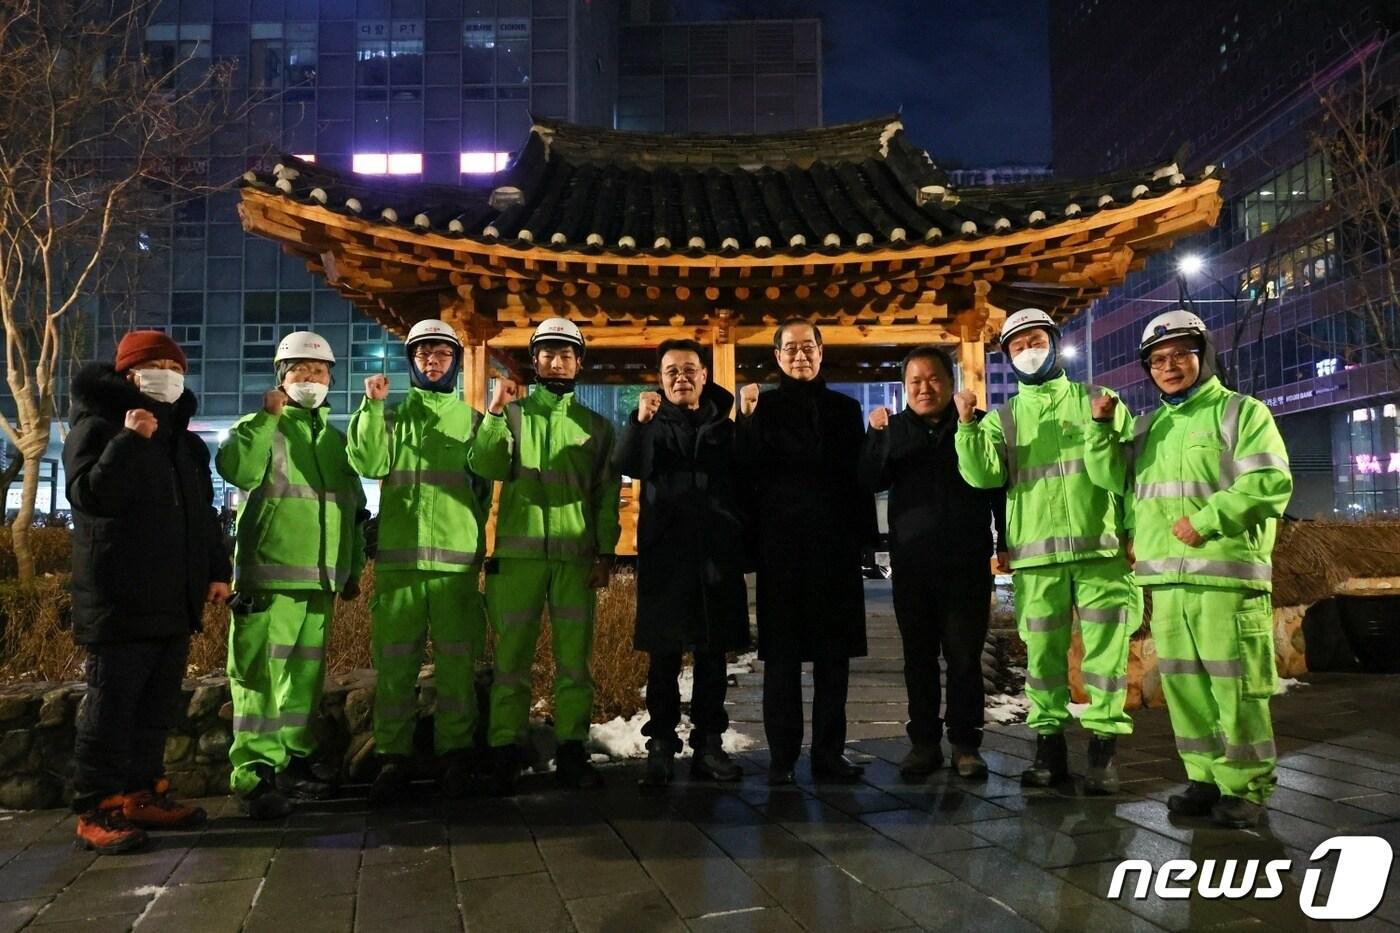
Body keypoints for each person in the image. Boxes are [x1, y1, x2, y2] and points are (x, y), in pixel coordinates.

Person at [1086, 309, 1291, 828]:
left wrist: (1206, 520)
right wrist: (1101, 428)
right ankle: (1204, 776)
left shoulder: (1241, 413)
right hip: (1167, 579)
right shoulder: (1149, 425)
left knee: (1236, 687)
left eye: (1180, 354)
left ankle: (1246, 786)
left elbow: (1269, 483)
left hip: (1225, 575)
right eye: (1157, 360)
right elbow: (1113, 479)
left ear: (1203, 356)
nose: (1170, 366)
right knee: (1185, 687)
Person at [953, 308, 1136, 794]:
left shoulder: (1099, 400)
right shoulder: (1003, 418)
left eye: (1034, 340)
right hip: (1037, 561)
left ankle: (1103, 754)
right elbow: (983, 477)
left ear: (1054, 343)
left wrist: (1133, 534)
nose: (1026, 351)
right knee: (1043, 662)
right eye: (1016, 346)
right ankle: (1048, 753)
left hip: (1101, 554)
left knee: (1106, 660)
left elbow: (1125, 476)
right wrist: (968, 426)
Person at [65, 330, 231, 853]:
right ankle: (96, 809)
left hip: (172, 600)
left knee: (155, 708)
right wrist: (128, 441)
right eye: (153, 364)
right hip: (118, 599)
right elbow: (92, 497)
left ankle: (142, 793)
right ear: (126, 375)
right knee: (110, 709)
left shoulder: (186, 443)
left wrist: (215, 570)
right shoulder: (97, 428)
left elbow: (203, 515)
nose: (167, 374)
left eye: (173, 365)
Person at [345, 318, 496, 803]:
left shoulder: (473, 420)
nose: (433, 360)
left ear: (454, 362)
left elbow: (488, 480)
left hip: (454, 567)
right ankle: (394, 758)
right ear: (412, 361)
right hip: (400, 565)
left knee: (457, 667)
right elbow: (369, 464)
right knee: (395, 668)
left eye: (442, 353)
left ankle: (456, 756)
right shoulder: (388, 415)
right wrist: (371, 406)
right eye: (424, 353)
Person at [217, 332, 365, 818]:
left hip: (319, 582)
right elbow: (236, 469)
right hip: (267, 582)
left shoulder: (336, 441)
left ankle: (294, 762)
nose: (309, 378)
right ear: (280, 377)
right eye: (299, 370)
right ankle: (255, 772)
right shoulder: (260, 427)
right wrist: (266, 418)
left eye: (318, 372)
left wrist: (350, 570)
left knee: (303, 681)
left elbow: (352, 511)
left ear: (331, 380)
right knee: (259, 680)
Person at [473, 317, 620, 794]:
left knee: (575, 663)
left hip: (576, 560)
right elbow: (486, 464)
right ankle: (504, 749)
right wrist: (495, 414)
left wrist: (605, 551)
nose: (557, 362)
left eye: (566, 354)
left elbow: (605, 496)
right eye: (548, 354)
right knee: (511, 661)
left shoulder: (596, 428)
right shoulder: (512, 415)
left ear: (579, 363)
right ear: (534, 361)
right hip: (518, 560)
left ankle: (572, 748)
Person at [738, 318, 876, 786]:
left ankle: (828, 753)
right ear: (777, 356)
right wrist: (747, 420)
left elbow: (859, 478)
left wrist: (866, 543)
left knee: (833, 661)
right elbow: (746, 474)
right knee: (782, 661)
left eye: (808, 347)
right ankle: (781, 756)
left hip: (834, 551)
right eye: (790, 348)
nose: (800, 355)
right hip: (781, 549)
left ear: (821, 352)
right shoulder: (763, 408)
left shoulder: (846, 408)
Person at [861, 345, 1007, 782]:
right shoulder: (895, 429)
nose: (924, 388)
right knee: (918, 658)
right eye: (915, 381)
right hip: (912, 565)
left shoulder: (977, 427)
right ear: (904, 388)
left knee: (964, 658)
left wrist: (1006, 542)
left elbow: (998, 487)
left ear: (951, 382)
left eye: (933, 379)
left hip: (966, 561)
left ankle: (966, 744)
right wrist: (875, 437)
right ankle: (923, 743)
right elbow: (868, 481)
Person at [615, 339, 750, 788]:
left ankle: (708, 744)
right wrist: (638, 422)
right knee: (663, 659)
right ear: (660, 379)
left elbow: (752, 483)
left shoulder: (727, 430)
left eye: (689, 369)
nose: (681, 377)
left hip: (715, 558)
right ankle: (661, 744)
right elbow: (628, 463)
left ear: (705, 375)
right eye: (671, 371)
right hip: (666, 558)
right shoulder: (650, 425)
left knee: (713, 659)